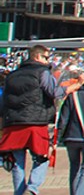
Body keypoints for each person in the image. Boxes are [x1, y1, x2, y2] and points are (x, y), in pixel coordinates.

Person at [0, 44, 64, 195]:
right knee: (42, 157)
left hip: (13, 123)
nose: (48, 61)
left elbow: (4, 101)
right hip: (36, 121)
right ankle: (32, 187)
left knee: (17, 162)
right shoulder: (43, 72)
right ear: (37, 56)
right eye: (46, 57)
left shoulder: (12, 75)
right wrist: (69, 88)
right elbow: (53, 92)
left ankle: (19, 192)